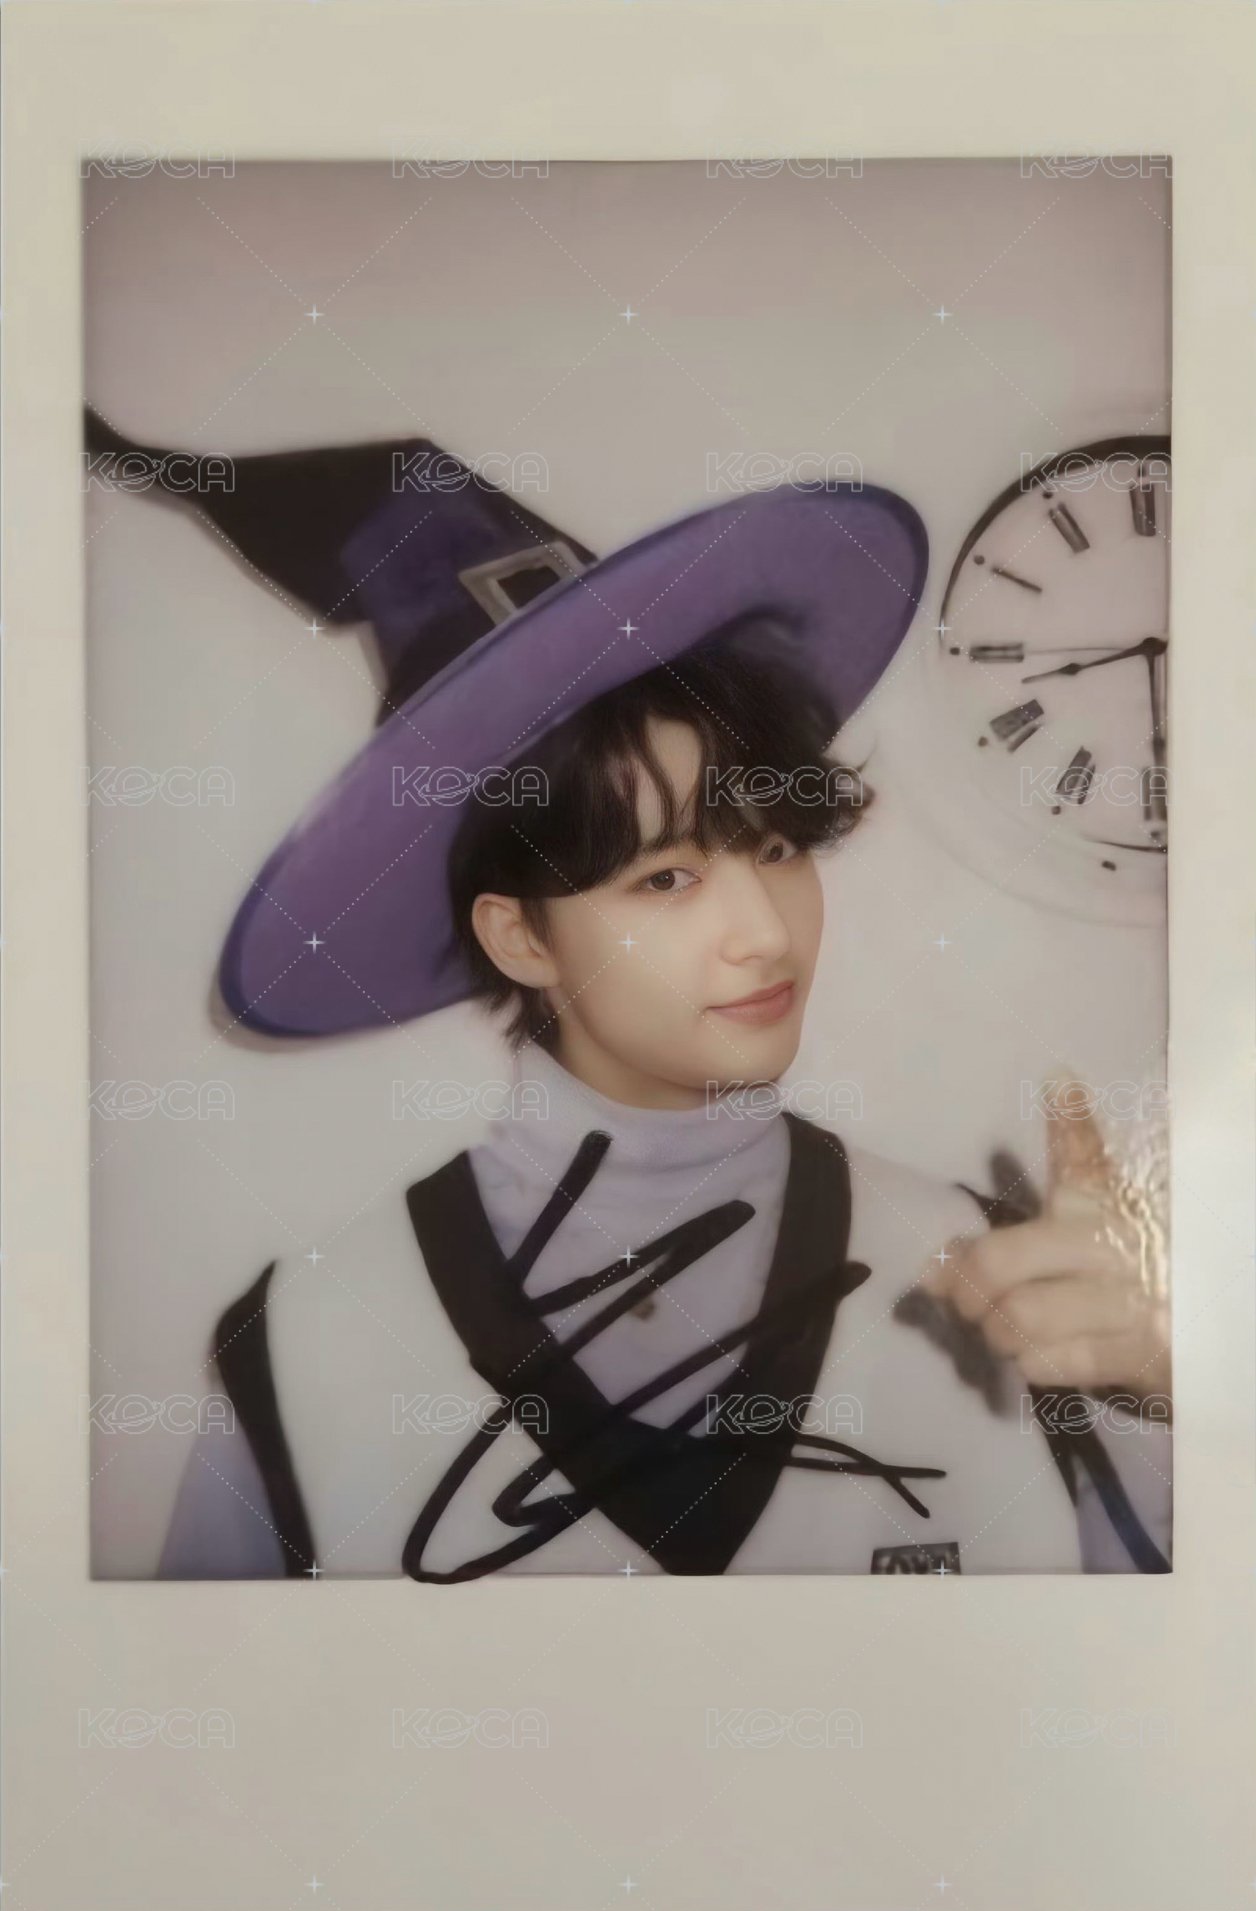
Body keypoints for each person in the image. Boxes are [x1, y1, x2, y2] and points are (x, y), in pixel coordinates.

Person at [135, 463, 1169, 1579]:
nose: (764, 933)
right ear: (520, 937)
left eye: (775, 848)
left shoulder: (995, 1276)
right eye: (666, 878)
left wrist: (1158, 1397)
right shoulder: (307, 1343)